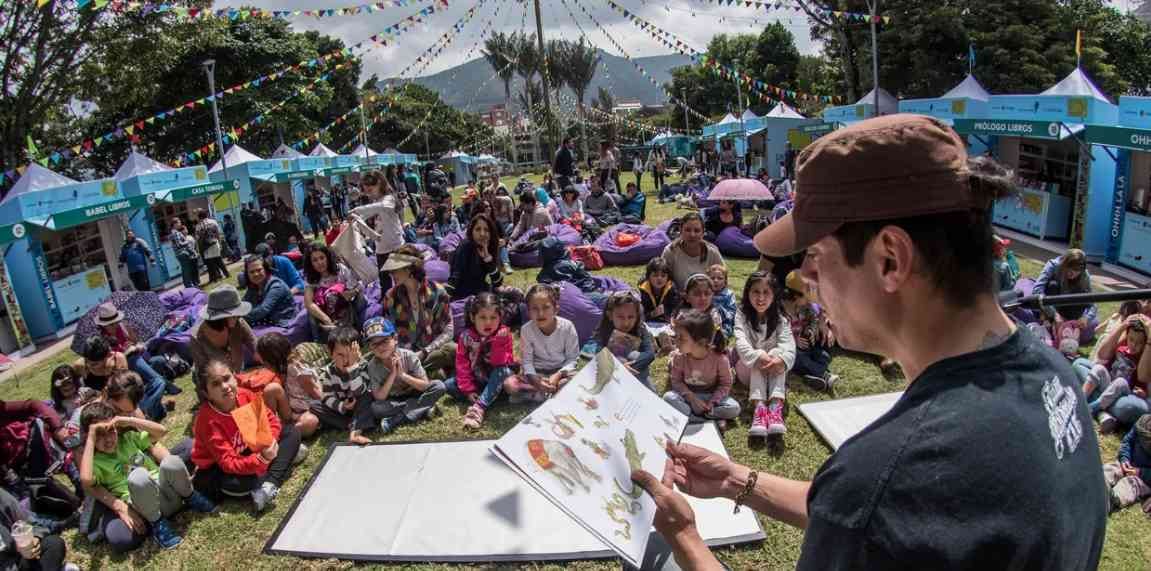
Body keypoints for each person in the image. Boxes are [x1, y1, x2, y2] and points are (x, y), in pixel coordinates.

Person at [636, 114, 1106, 569]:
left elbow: (871, 507)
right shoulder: (1053, 376)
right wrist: (739, 479)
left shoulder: (891, 473)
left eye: (817, 255)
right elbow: (877, 517)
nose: (806, 277)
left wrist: (686, 540)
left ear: (889, 259)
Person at [78, 402, 216, 551]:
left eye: (110, 430)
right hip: (145, 508)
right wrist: (91, 437)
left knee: (171, 461)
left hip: (167, 491)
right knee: (138, 476)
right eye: (99, 435)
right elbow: (86, 480)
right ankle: (159, 524)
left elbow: (161, 431)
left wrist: (127, 420)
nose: (108, 439)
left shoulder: (129, 438)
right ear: (89, 437)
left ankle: (191, 496)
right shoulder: (96, 462)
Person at [191, 360, 301, 513]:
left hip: (250, 448)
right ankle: (280, 463)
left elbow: (272, 421)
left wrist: (271, 444)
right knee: (243, 483)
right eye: (215, 384)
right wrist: (262, 459)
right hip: (218, 469)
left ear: (235, 377)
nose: (225, 386)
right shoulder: (207, 420)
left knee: (292, 432)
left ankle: (269, 485)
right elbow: (228, 462)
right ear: (206, 393)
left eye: (226, 378)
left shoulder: (244, 395)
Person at [353, 318, 446, 439]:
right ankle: (422, 409)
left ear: (395, 339)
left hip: (415, 393)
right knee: (375, 408)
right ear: (370, 347)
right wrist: (392, 374)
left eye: (385, 340)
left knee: (439, 386)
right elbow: (379, 397)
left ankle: (397, 420)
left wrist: (403, 375)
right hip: (395, 401)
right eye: (374, 344)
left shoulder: (409, 356)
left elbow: (425, 385)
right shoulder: (373, 366)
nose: (380, 347)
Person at [733, 271, 795, 438]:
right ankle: (759, 409)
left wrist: (780, 360)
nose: (761, 298)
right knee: (760, 353)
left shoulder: (781, 319)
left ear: (774, 295)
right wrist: (758, 357)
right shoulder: (741, 314)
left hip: (774, 372)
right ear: (748, 293)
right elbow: (740, 341)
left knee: (777, 352)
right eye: (756, 292)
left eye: (766, 292)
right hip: (747, 370)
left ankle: (775, 408)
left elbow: (789, 345)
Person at [445, 293, 518, 430]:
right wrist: (468, 390)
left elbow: (501, 363)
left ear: (500, 317)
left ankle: (479, 407)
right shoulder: (466, 336)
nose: (488, 322)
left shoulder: (504, 334)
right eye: (483, 317)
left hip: (497, 378)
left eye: (493, 317)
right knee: (448, 385)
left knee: (503, 371)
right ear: (473, 317)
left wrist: (498, 344)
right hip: (477, 379)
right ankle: (486, 396)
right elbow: (462, 364)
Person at [381, 247, 455, 378]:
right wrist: (404, 355)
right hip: (403, 355)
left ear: (409, 269)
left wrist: (425, 352)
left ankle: (415, 374)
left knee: (453, 349)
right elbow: (389, 332)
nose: (391, 274)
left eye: (395, 270)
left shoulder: (437, 292)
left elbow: (448, 330)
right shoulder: (391, 297)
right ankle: (421, 373)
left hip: (430, 350)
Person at [663, 309, 739, 428]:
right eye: (675, 336)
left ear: (701, 342)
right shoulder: (679, 357)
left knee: (734, 408)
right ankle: (707, 420)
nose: (676, 342)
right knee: (668, 397)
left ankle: (696, 416)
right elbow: (676, 381)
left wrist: (712, 402)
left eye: (681, 338)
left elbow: (725, 384)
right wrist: (692, 398)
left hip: (710, 396)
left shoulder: (720, 359)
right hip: (687, 397)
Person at [1079, 314, 1151, 432]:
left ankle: (1093, 408)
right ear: (1127, 336)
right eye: (1131, 340)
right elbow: (1102, 356)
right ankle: (1082, 400)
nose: (1134, 345)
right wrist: (1123, 326)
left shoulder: (1144, 356)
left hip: (1125, 392)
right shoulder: (1121, 348)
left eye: (1139, 343)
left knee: (1121, 383)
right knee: (1095, 367)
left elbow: (1143, 381)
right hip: (1109, 386)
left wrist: (1144, 394)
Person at [236, 333, 317, 439]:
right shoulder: (276, 371)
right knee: (272, 389)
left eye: (260, 355)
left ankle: (281, 437)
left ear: (272, 357)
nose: (256, 357)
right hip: (290, 413)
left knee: (310, 422)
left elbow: (316, 394)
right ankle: (272, 429)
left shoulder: (296, 369)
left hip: (305, 412)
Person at [73, 336, 167, 422]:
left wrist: (110, 373)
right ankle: (157, 409)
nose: (92, 367)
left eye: (96, 364)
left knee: (159, 383)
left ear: (108, 355)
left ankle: (154, 410)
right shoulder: (80, 366)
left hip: (121, 402)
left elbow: (123, 392)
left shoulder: (118, 359)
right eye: (89, 363)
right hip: (98, 406)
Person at [514, 285, 580, 402]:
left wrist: (558, 375)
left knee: (574, 380)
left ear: (556, 309)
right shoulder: (526, 330)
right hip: (537, 373)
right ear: (528, 312)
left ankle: (541, 394)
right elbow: (527, 361)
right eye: (535, 308)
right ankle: (551, 393)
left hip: (561, 371)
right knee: (510, 385)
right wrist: (536, 380)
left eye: (546, 307)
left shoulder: (567, 327)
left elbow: (572, 359)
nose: (540, 313)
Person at [349, 170, 405, 296]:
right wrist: (355, 218)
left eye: (370, 190)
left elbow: (381, 207)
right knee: (385, 283)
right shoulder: (375, 203)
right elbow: (368, 212)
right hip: (381, 249)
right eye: (366, 191)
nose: (368, 194)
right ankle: (387, 306)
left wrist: (358, 210)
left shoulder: (389, 199)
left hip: (396, 246)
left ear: (379, 183)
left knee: (401, 281)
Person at [780, 271, 838, 392]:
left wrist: (811, 330)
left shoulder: (805, 307)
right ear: (796, 296)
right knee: (799, 357)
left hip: (805, 347)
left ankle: (809, 376)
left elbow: (814, 319)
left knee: (824, 356)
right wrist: (794, 340)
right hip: (788, 350)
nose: (809, 301)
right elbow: (776, 333)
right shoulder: (779, 310)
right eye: (806, 297)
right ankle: (824, 376)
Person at [588, 291, 656, 389]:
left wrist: (629, 368)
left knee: (634, 355)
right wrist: (619, 366)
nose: (626, 322)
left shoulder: (640, 329)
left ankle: (648, 396)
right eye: (620, 317)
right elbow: (598, 351)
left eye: (631, 317)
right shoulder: (604, 329)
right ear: (610, 315)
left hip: (635, 372)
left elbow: (649, 353)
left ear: (637, 316)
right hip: (611, 373)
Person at [310, 327, 368, 438]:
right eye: (340, 355)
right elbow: (327, 396)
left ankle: (358, 423)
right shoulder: (329, 372)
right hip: (342, 408)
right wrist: (342, 406)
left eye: (350, 354)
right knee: (314, 405)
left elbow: (359, 392)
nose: (346, 360)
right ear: (331, 353)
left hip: (360, 405)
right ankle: (349, 424)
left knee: (366, 397)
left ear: (357, 352)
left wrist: (353, 367)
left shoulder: (362, 365)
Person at [1032, 248, 1098, 345]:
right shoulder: (1053, 265)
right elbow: (1037, 290)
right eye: (1069, 268)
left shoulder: (1084, 275)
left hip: (1069, 307)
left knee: (1081, 295)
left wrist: (1086, 318)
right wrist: (1054, 314)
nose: (1072, 273)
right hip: (1051, 305)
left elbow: (1092, 303)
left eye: (1076, 270)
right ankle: (1048, 324)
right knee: (1052, 285)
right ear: (1064, 263)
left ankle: (1066, 328)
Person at [0, 486, 73, 571]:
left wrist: (35, 537)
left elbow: (29, 522)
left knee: (53, 543)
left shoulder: (2, 497)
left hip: (18, 561)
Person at [303, 245, 364, 343]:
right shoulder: (312, 279)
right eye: (315, 260)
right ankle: (319, 342)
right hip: (327, 312)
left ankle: (359, 331)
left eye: (322, 258)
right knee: (311, 312)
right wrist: (326, 319)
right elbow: (308, 303)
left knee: (360, 298)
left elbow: (358, 285)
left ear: (327, 257)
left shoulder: (340, 269)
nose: (320, 263)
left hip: (345, 307)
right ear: (311, 264)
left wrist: (351, 293)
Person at [187, 286, 256, 374]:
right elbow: (204, 374)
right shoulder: (197, 338)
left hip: (239, 376)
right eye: (234, 314)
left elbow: (255, 346)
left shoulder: (238, 322)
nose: (238, 316)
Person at [661, 213, 725, 290]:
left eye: (697, 230)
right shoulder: (671, 251)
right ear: (681, 230)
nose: (692, 235)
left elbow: (723, 280)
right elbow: (662, 280)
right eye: (688, 230)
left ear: (703, 232)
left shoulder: (712, 252)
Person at [447, 214, 504, 301]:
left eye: (486, 230)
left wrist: (487, 258)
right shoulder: (465, 247)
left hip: (481, 291)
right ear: (471, 231)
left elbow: (497, 282)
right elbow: (455, 276)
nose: (482, 234)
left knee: (514, 294)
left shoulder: (488, 247)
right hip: (464, 295)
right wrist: (445, 298)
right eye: (478, 229)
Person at [1103, 414, 1151, 511]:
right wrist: (1125, 458)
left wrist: (1140, 472)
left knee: (1131, 484)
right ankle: (1097, 481)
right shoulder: (1143, 421)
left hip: (1144, 479)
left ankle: (1112, 500)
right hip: (1128, 464)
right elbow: (1128, 441)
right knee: (1112, 469)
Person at [240, 256, 295, 330]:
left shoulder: (276, 286)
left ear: (265, 269)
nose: (256, 274)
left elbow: (263, 309)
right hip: (265, 320)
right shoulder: (254, 287)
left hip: (281, 322)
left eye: (259, 270)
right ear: (247, 275)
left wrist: (241, 316)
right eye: (252, 272)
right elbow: (244, 303)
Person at [681, 273, 731, 338]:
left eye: (707, 294)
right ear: (687, 297)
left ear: (713, 296)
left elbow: (717, 339)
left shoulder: (714, 316)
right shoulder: (681, 317)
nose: (703, 298)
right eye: (697, 294)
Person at [194, 209, 229, 283]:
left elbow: (197, 238)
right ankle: (227, 274)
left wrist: (198, 248)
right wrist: (219, 243)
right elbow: (218, 233)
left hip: (206, 246)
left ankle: (215, 278)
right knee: (219, 261)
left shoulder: (198, 226)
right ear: (206, 215)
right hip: (215, 242)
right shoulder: (213, 222)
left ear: (199, 217)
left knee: (210, 263)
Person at [169, 218, 200, 289]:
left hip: (180, 254)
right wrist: (187, 242)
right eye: (179, 222)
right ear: (175, 224)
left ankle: (188, 285)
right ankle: (189, 286)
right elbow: (179, 244)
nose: (180, 224)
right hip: (182, 253)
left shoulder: (173, 232)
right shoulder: (176, 233)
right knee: (187, 270)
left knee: (185, 270)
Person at [708, 264, 737, 337]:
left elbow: (732, 313)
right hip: (707, 321)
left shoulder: (729, 294)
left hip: (724, 323)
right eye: (712, 278)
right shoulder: (706, 293)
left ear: (725, 281)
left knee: (722, 333)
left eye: (720, 278)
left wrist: (719, 309)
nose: (716, 280)